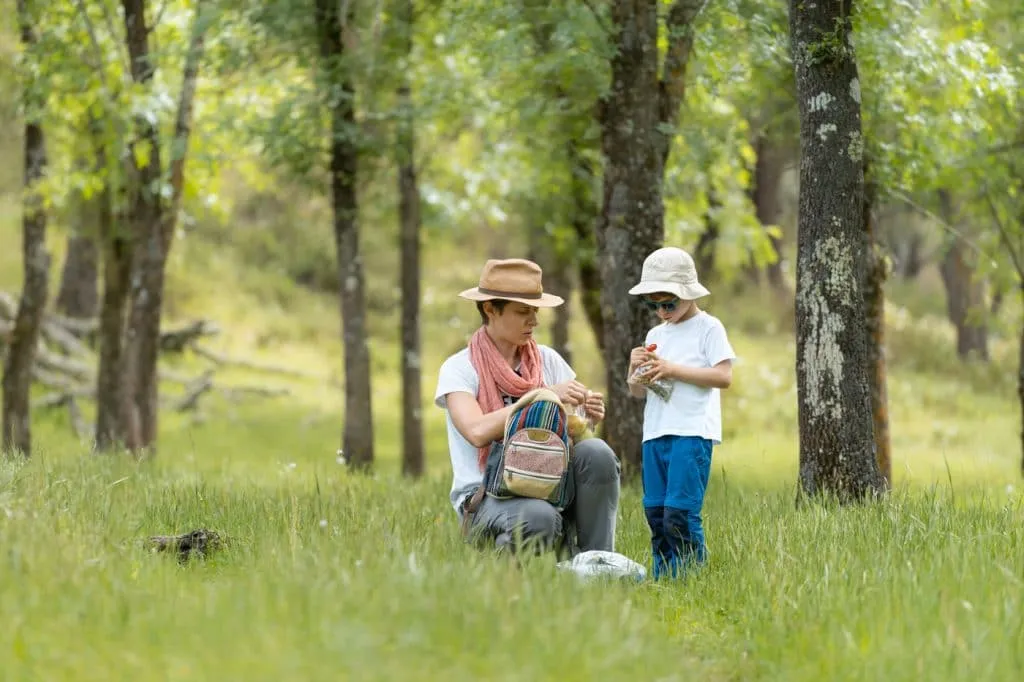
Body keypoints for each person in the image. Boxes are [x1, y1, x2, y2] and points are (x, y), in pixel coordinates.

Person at [434, 258, 621, 556]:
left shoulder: (547, 360)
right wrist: (542, 395)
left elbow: (570, 432)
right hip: (487, 496)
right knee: (538, 516)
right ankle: (503, 579)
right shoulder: (459, 368)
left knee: (597, 453)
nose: (533, 320)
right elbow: (476, 431)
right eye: (523, 312)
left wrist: (588, 416)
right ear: (490, 309)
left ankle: (594, 565)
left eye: (535, 311)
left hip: (551, 483)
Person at [626, 247, 736, 579]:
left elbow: (723, 376)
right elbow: (635, 391)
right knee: (655, 510)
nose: (661, 311)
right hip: (655, 433)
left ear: (687, 294)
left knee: (680, 511)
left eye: (668, 304)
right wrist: (634, 370)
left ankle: (691, 577)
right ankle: (664, 577)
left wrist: (672, 369)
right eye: (653, 304)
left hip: (692, 431)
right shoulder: (655, 335)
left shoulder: (709, 328)